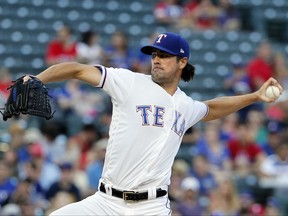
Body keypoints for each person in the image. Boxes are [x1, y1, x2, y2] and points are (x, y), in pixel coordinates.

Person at [23, 32, 283, 215]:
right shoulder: (129, 82)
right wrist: (38, 78)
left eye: (165, 55)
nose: (156, 59)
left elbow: (213, 108)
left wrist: (254, 96)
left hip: (151, 208)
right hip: (104, 203)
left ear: (182, 62)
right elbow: (79, 69)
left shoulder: (186, 105)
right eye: (154, 54)